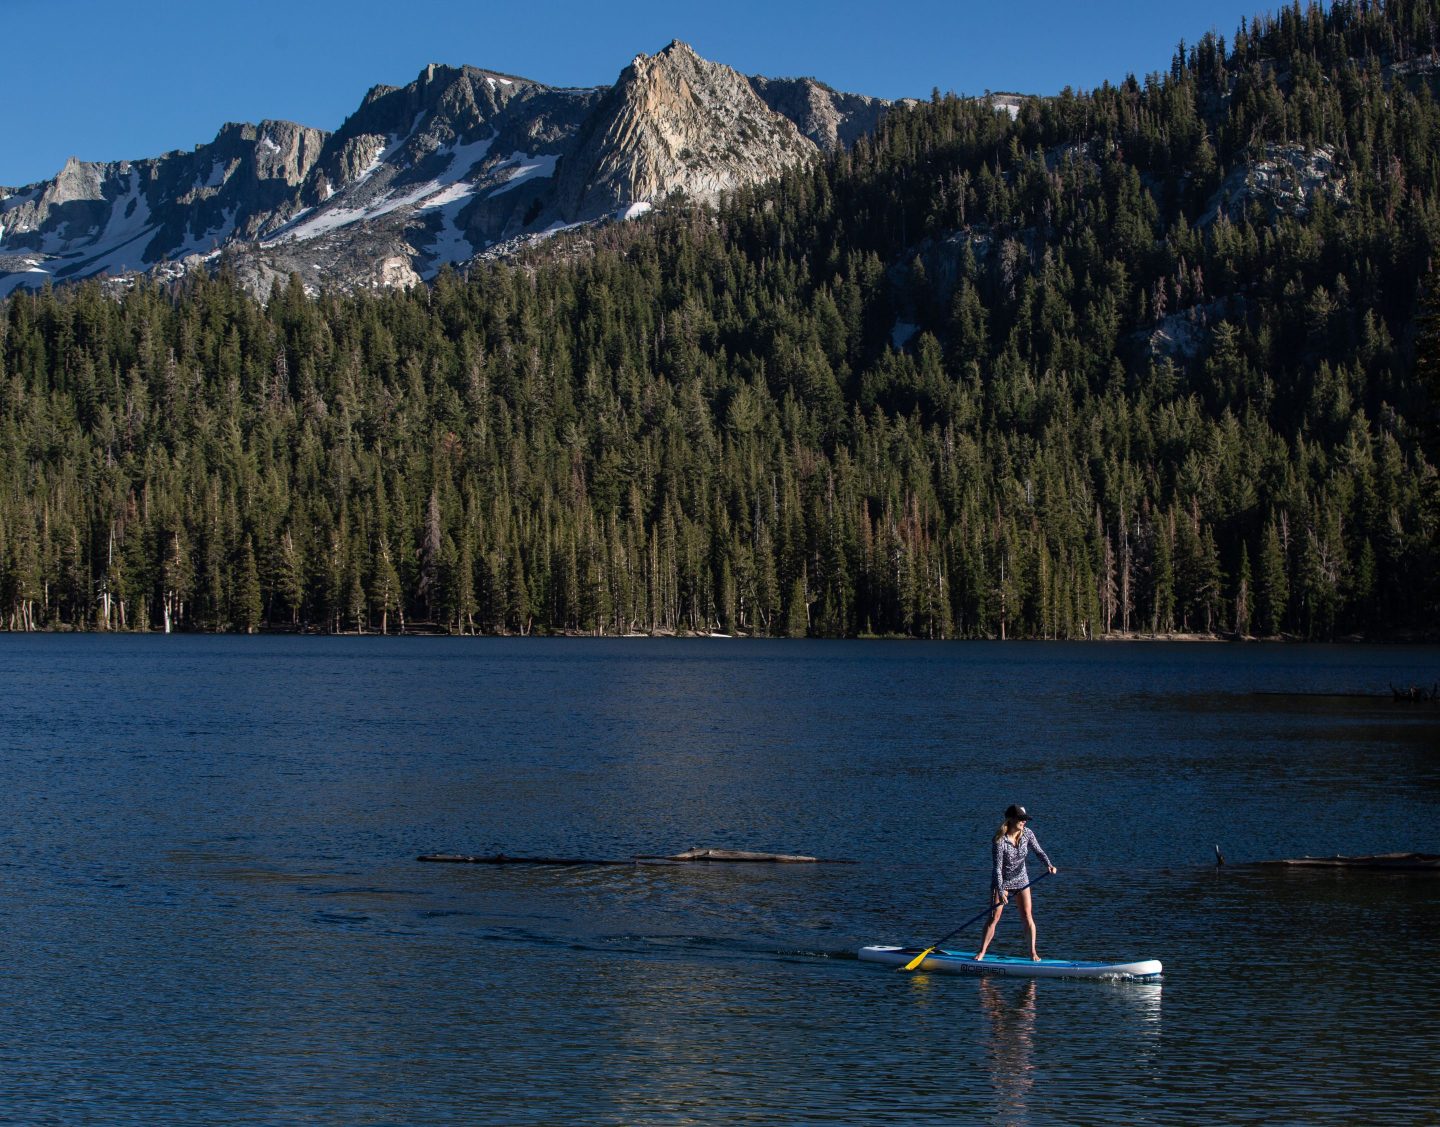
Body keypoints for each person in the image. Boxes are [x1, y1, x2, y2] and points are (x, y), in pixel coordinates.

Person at [975, 804, 1057, 962]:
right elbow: (997, 868)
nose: (1024, 822)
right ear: (1011, 819)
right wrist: (1000, 890)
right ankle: (982, 952)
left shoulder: (1027, 834)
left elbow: (1039, 851)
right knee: (994, 918)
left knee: (1027, 916)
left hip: (1021, 880)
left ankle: (1033, 953)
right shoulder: (1000, 840)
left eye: (1025, 819)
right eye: (1021, 819)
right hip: (1002, 882)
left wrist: (1048, 864)